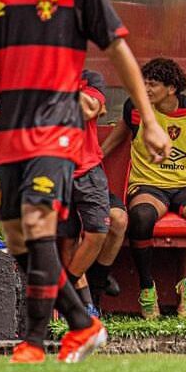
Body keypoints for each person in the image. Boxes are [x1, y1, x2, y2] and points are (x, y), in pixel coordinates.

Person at [0, 0, 170, 363]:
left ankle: (54, 333)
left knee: (39, 223)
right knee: (19, 236)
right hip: (12, 129)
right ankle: (64, 331)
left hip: (58, 127)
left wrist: (149, 119)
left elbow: (119, 50)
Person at [101, 57, 186, 319]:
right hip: (148, 185)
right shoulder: (135, 108)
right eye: (143, 82)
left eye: (152, 84)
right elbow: (118, 136)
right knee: (141, 217)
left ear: (172, 89)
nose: (145, 89)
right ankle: (146, 289)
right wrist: (96, 156)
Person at [56, 70, 114, 317]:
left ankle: (66, 288)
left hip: (88, 171)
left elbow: (89, 110)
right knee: (67, 240)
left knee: (98, 232)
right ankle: (85, 305)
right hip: (54, 171)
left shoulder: (91, 78)